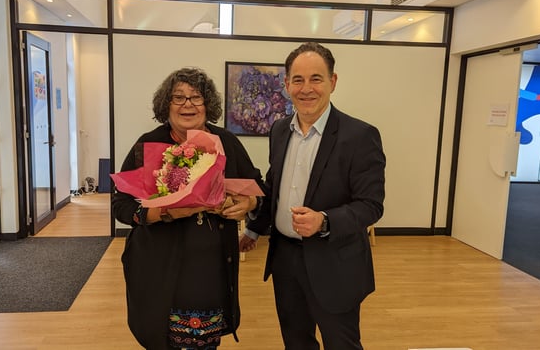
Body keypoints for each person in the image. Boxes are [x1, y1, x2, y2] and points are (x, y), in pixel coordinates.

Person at [240, 42, 386, 350]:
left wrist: (325, 221)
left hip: (335, 264)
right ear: (286, 84)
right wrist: (254, 227)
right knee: (296, 342)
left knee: (341, 344)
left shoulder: (359, 136)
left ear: (332, 82)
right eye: (298, 79)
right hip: (285, 261)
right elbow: (275, 187)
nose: (307, 89)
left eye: (316, 79)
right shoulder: (279, 130)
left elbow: (371, 205)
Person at [112, 67, 265, 350]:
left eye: (196, 98)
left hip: (211, 269)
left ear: (208, 104)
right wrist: (165, 212)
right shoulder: (148, 144)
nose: (188, 105)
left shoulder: (227, 142)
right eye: (178, 98)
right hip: (158, 266)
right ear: (165, 104)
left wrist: (248, 203)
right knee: (163, 340)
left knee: (205, 343)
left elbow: (258, 189)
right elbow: (120, 206)